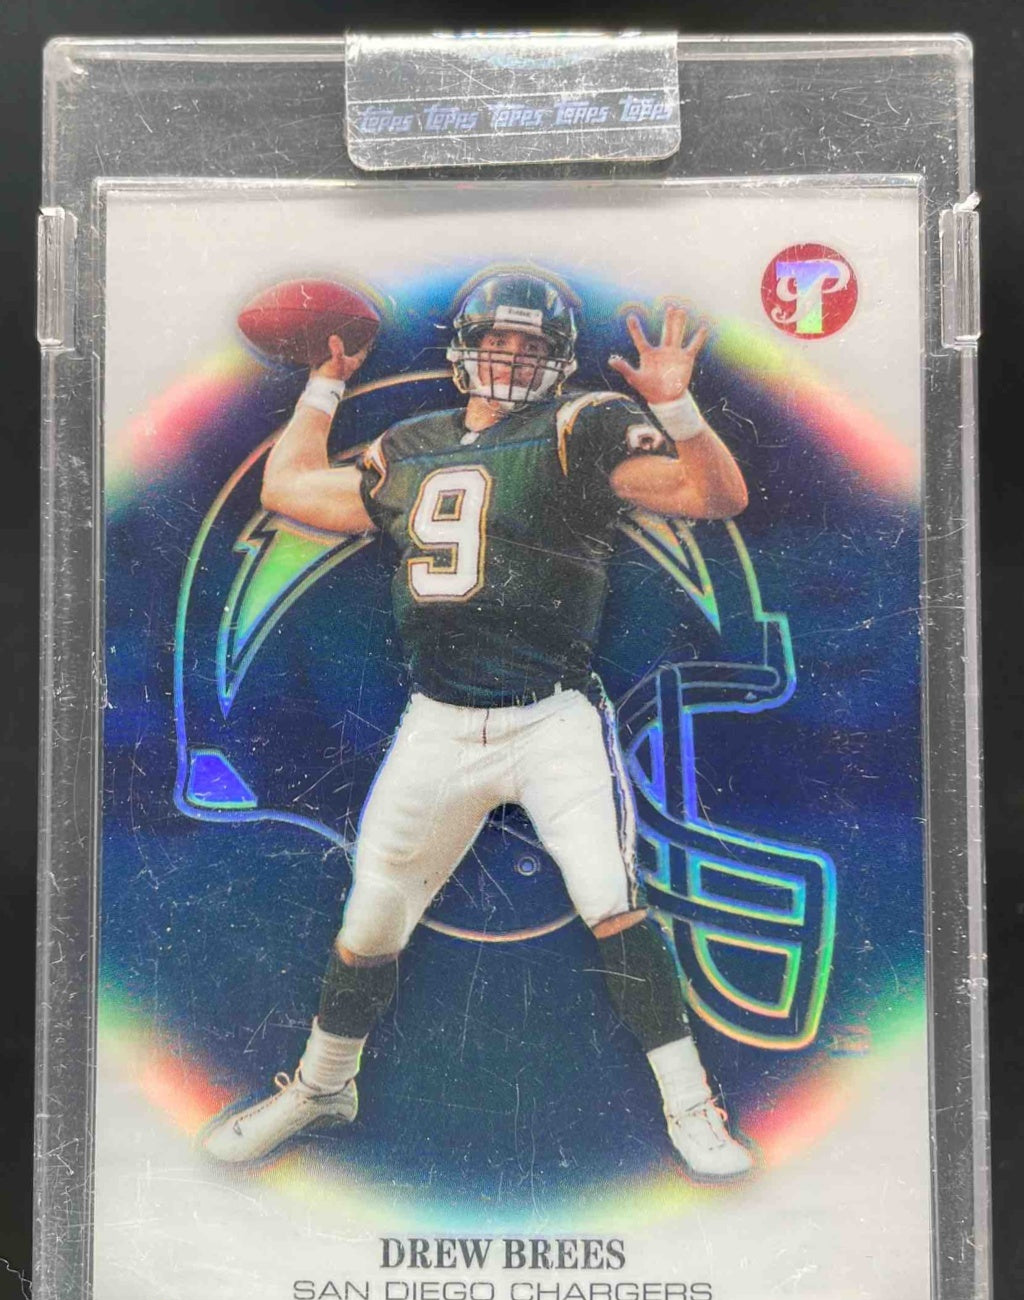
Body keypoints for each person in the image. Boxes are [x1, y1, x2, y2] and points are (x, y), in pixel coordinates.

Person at [201, 269, 754, 1180]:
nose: (512, 357)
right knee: (371, 918)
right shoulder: (408, 446)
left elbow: (714, 496)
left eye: (531, 345)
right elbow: (291, 488)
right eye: (498, 340)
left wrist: (678, 407)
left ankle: (692, 1108)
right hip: (439, 723)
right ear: (465, 350)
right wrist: (324, 381)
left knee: (610, 901)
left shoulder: (581, 426)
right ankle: (323, 1087)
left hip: (550, 720)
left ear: (557, 360)